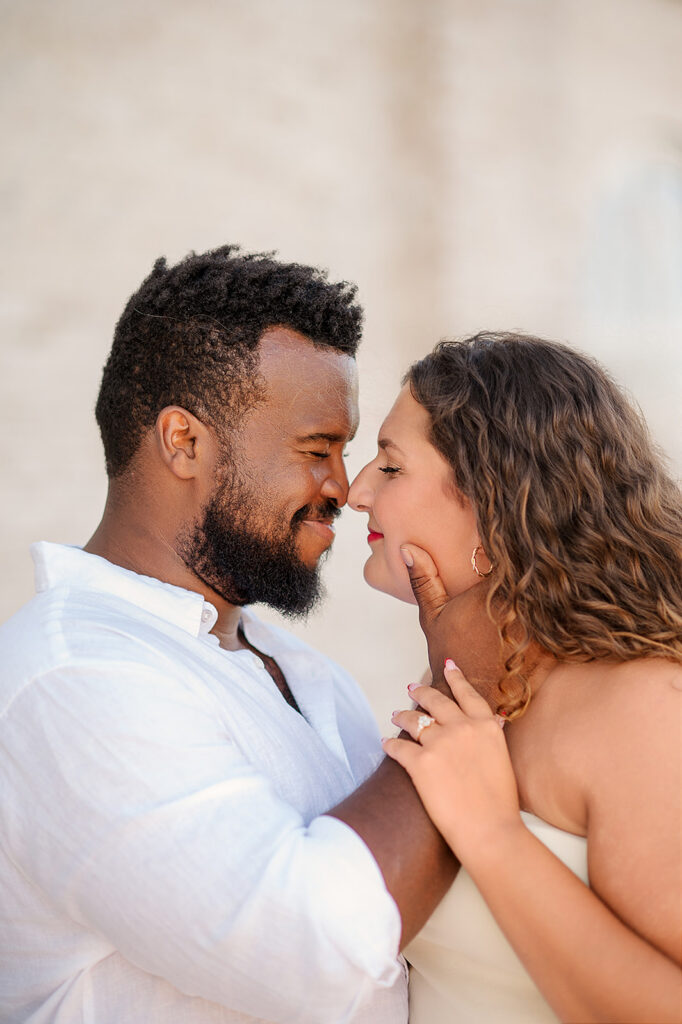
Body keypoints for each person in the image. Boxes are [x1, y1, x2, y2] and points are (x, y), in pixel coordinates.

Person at [0, 244, 467, 1024]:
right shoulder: (75, 680)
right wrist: (470, 676)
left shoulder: (301, 670)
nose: (346, 490)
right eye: (317, 450)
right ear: (182, 441)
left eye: (350, 453)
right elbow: (318, 960)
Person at [349, 331, 682, 1024]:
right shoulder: (468, 678)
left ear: (489, 499)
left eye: (389, 465)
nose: (355, 493)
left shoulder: (643, 705)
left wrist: (494, 835)